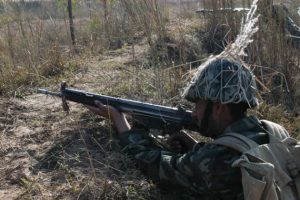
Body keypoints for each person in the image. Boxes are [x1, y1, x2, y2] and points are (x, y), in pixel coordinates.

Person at [87, 57, 290, 199]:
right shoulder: (274, 131)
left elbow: (155, 165)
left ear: (218, 107)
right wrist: (195, 147)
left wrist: (119, 120)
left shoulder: (213, 159)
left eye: (198, 104)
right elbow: (239, 154)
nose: (194, 113)